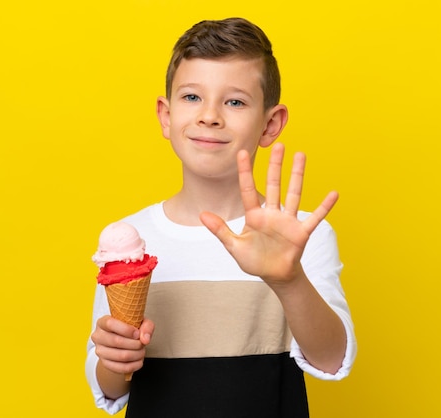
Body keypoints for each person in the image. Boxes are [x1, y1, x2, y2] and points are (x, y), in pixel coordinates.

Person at [85, 17, 356, 417]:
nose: (209, 116)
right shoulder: (131, 237)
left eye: (235, 101)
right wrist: (113, 357)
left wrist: (289, 279)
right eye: (192, 97)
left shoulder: (300, 234)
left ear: (270, 123)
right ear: (165, 114)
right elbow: (109, 386)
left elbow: (332, 360)